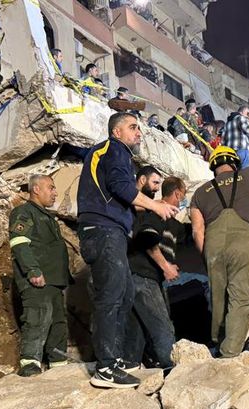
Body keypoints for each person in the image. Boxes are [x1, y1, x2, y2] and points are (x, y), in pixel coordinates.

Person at [77, 112, 179, 388]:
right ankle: (106, 368)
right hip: (102, 230)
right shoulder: (114, 149)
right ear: (117, 131)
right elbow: (119, 186)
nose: (139, 133)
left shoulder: (116, 154)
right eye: (133, 127)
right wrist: (156, 205)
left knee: (124, 294)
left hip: (111, 231)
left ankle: (117, 359)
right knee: (111, 296)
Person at [190, 146, 249, 357]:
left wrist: (207, 258)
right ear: (234, 163)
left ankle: (219, 344)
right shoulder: (247, 175)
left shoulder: (200, 193)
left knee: (219, 299)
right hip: (242, 243)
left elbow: (197, 231)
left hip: (212, 246)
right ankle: (229, 354)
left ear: (213, 167)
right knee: (242, 298)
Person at [9, 174, 72, 377]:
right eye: (51, 188)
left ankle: (58, 363)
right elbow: (19, 242)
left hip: (53, 281)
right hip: (37, 279)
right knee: (37, 317)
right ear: (36, 189)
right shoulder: (24, 212)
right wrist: (32, 270)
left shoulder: (47, 217)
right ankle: (29, 363)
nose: (55, 192)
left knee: (57, 323)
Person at [126, 176, 187, 368]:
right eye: (183, 195)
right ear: (177, 193)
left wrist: (169, 263)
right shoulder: (158, 213)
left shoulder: (171, 222)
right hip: (144, 277)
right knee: (163, 328)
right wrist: (165, 267)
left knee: (138, 329)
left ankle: (131, 367)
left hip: (137, 278)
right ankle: (172, 372)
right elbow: (146, 238)